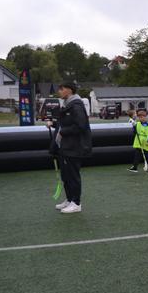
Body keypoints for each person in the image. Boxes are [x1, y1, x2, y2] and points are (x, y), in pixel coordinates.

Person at [48, 83, 92, 213]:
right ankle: (69, 199)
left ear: (69, 90)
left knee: (73, 176)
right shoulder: (67, 104)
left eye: (61, 89)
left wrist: (63, 132)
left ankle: (76, 203)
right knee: (65, 175)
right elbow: (66, 123)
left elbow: (81, 125)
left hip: (74, 147)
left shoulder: (76, 105)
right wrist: (54, 124)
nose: (59, 91)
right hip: (65, 146)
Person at [128, 110, 148, 174]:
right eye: (139, 117)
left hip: (146, 144)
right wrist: (133, 125)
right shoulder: (137, 124)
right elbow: (134, 131)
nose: (141, 118)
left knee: (147, 156)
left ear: (145, 117)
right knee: (137, 155)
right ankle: (135, 167)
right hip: (138, 143)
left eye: (142, 117)